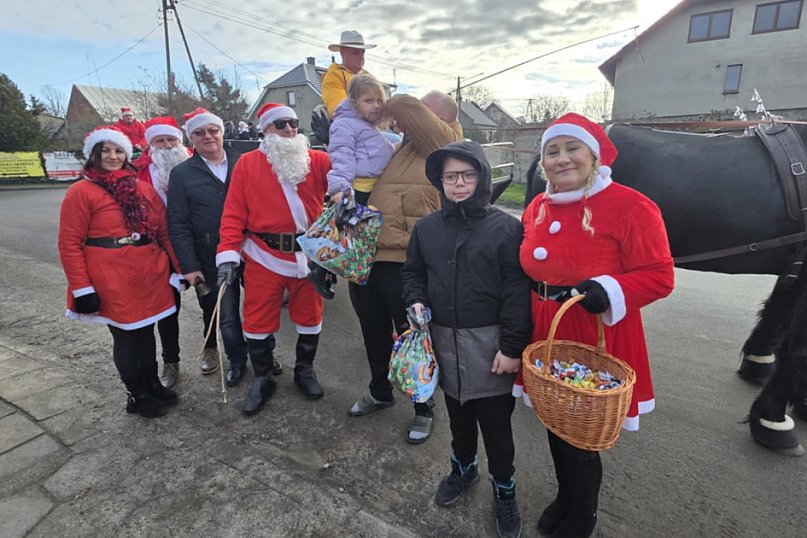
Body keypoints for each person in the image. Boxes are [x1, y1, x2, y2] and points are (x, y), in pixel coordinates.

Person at [514, 113, 674, 537]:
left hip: (594, 332)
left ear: (594, 155)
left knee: (581, 434)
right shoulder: (535, 206)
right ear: (542, 162)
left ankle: (582, 513)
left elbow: (660, 276)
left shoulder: (632, 206)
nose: (562, 159)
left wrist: (610, 290)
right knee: (553, 420)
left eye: (572, 149)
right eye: (552, 151)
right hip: (545, 331)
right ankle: (566, 496)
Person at [401, 141, 531, 538]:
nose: (459, 184)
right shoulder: (426, 229)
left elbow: (516, 291)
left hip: (489, 348)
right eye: (451, 177)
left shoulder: (506, 227)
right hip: (443, 343)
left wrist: (511, 347)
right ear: (440, 182)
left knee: (496, 428)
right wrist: (416, 301)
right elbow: (412, 274)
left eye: (468, 175)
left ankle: (504, 488)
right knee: (458, 418)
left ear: (482, 177)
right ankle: (463, 468)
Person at [347, 90, 463, 444]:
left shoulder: (445, 143)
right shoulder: (402, 147)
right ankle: (380, 390)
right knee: (373, 333)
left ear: (437, 118)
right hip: (369, 258)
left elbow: (407, 107)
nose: (401, 120)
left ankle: (423, 406)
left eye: (417, 114)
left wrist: (383, 100)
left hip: (407, 264)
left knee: (414, 341)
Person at [216, 103, 331, 416]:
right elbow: (233, 212)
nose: (290, 130)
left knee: (310, 316)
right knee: (256, 320)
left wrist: (335, 141)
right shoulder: (247, 164)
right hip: (263, 256)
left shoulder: (317, 160)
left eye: (294, 123)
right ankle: (263, 377)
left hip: (309, 256)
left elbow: (352, 172)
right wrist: (227, 254)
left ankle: (304, 370)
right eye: (281, 125)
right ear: (265, 130)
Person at [58, 126, 180, 417]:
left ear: (127, 154)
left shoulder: (142, 188)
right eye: (106, 150)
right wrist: (82, 288)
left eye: (119, 150)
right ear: (94, 155)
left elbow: (164, 232)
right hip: (111, 277)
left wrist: (178, 269)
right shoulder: (81, 192)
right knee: (126, 335)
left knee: (147, 331)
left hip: (149, 273)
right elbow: (69, 244)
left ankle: (151, 383)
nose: (113, 156)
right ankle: (136, 395)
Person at [167, 108, 252, 387]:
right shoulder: (181, 174)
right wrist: (189, 267)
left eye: (213, 130)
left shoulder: (246, 162)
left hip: (252, 250)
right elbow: (177, 222)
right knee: (225, 314)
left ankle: (264, 354)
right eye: (200, 132)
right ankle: (237, 359)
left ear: (222, 132)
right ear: (191, 138)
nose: (208, 136)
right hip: (211, 255)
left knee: (259, 309)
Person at [132, 116, 192, 389]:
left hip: (197, 244)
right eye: (160, 140)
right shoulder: (139, 173)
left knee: (211, 301)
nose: (167, 146)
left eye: (172, 140)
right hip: (160, 250)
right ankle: (171, 361)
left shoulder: (196, 163)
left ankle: (212, 347)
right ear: (150, 144)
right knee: (168, 309)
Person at [327, 74, 395, 206]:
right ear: (354, 102)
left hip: (375, 187)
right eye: (369, 101)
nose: (376, 106)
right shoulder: (345, 125)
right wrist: (341, 189)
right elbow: (342, 156)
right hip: (360, 191)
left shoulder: (368, 126)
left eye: (379, 101)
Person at [321, 30, 376, 118]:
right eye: (356, 53)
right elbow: (340, 110)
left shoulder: (368, 76)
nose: (361, 57)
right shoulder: (334, 76)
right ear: (342, 53)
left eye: (363, 52)